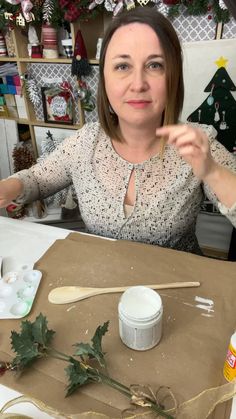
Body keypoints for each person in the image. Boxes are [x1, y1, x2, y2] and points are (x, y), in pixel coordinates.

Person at [0, 7, 236, 254]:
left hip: (178, 288)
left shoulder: (198, 143)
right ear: (104, 78)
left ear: (173, 76)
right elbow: (37, 179)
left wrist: (213, 172)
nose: (138, 84)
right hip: (107, 283)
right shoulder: (85, 143)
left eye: (155, 65)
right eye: (123, 66)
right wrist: (10, 187)